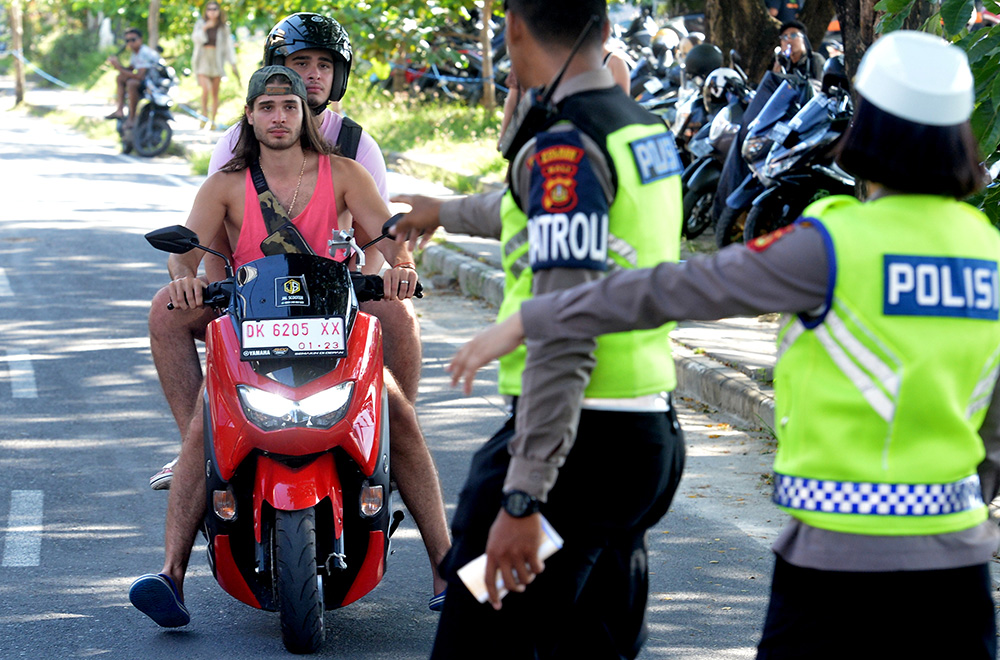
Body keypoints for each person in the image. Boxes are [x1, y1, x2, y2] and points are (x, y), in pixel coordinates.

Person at [447, 30, 1000, 660]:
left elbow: (676, 288)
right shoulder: (989, 252)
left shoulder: (833, 247)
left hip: (838, 568)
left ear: (867, 129)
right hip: (959, 570)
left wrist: (542, 312)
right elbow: (996, 428)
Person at [392, 1, 686, 657]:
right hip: (645, 437)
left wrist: (523, 498)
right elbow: (538, 209)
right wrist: (448, 210)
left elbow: (565, 330)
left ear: (515, 28)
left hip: (575, 446)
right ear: (605, 30)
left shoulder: (564, 145)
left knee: (477, 646)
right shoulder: (642, 130)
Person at [145, 13, 451, 609]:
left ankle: (446, 567)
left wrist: (399, 265)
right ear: (250, 116)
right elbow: (187, 250)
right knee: (207, 417)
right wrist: (185, 282)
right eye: (269, 106)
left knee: (394, 407)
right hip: (250, 321)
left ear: (309, 111)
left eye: (292, 104)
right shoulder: (227, 182)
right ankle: (170, 575)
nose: (281, 115)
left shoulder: (348, 169)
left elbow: (385, 232)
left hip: (332, 318)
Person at [191, 1, 240, 130]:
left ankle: (213, 120)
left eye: (214, 9)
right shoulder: (200, 24)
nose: (212, 11)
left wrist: (233, 63)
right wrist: (205, 27)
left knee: (215, 93)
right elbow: (196, 39)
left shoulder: (223, 27)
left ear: (219, 11)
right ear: (206, 11)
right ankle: (204, 116)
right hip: (203, 60)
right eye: (209, 9)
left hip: (217, 61)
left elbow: (229, 46)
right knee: (205, 89)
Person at [105, 28, 161, 128]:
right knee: (121, 78)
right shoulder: (135, 53)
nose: (130, 43)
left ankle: (132, 117)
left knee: (132, 83)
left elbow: (140, 76)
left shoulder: (145, 52)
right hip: (145, 81)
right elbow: (130, 70)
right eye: (127, 41)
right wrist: (117, 65)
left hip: (153, 83)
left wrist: (119, 68)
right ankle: (120, 110)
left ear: (140, 39)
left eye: (133, 40)